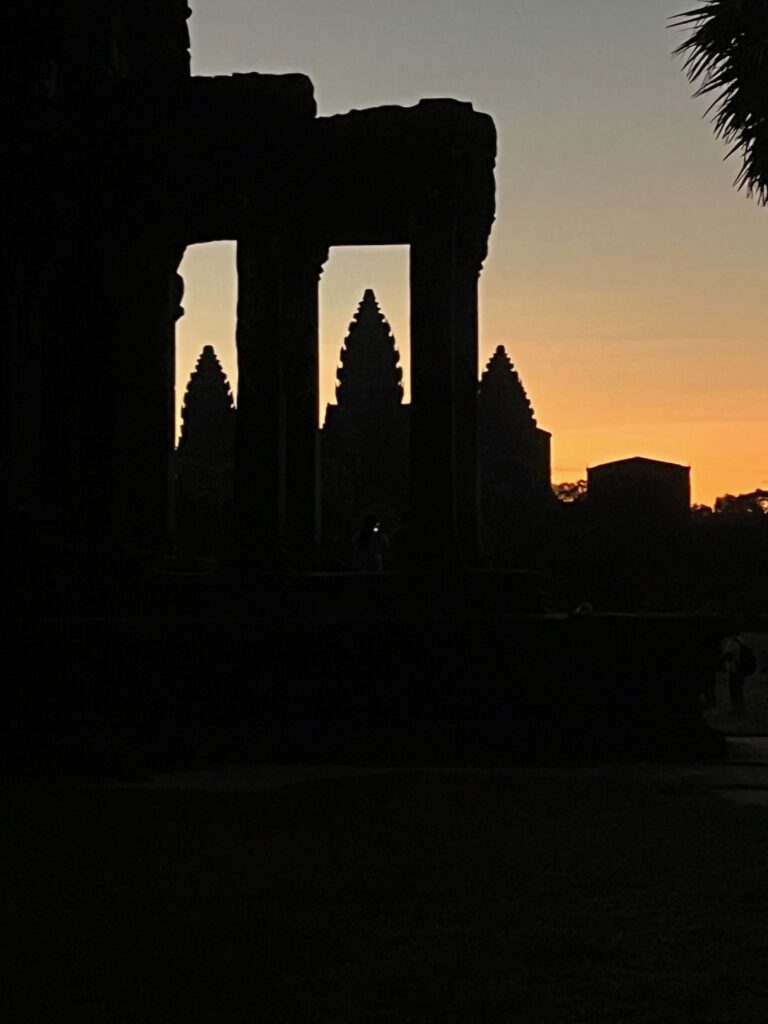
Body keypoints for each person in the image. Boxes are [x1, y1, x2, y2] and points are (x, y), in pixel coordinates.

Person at [720, 634, 756, 713]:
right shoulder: (741, 642)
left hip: (735, 668)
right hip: (740, 668)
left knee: (734, 689)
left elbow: (726, 655)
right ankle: (740, 707)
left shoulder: (731, 643)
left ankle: (737, 708)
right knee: (739, 689)